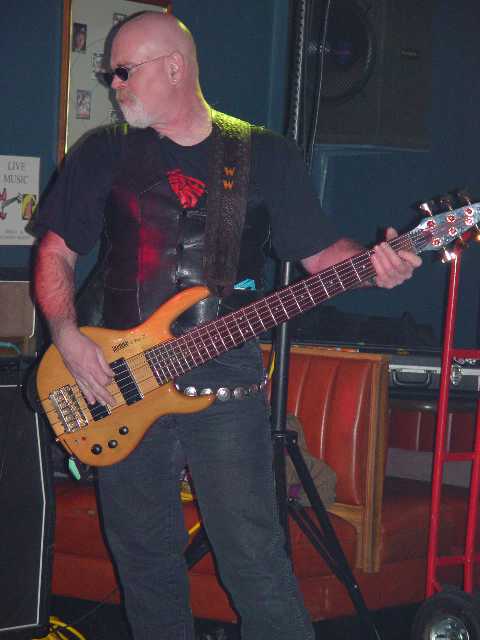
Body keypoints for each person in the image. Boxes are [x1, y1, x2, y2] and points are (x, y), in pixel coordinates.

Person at [33, 12, 421, 640]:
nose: (114, 85)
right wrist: (67, 336)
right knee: (144, 562)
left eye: (123, 72)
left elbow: (321, 255)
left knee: (254, 558)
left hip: (226, 373)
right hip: (116, 374)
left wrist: (380, 266)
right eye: (110, 74)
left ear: (174, 67)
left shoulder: (263, 153)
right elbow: (55, 252)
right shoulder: (104, 150)